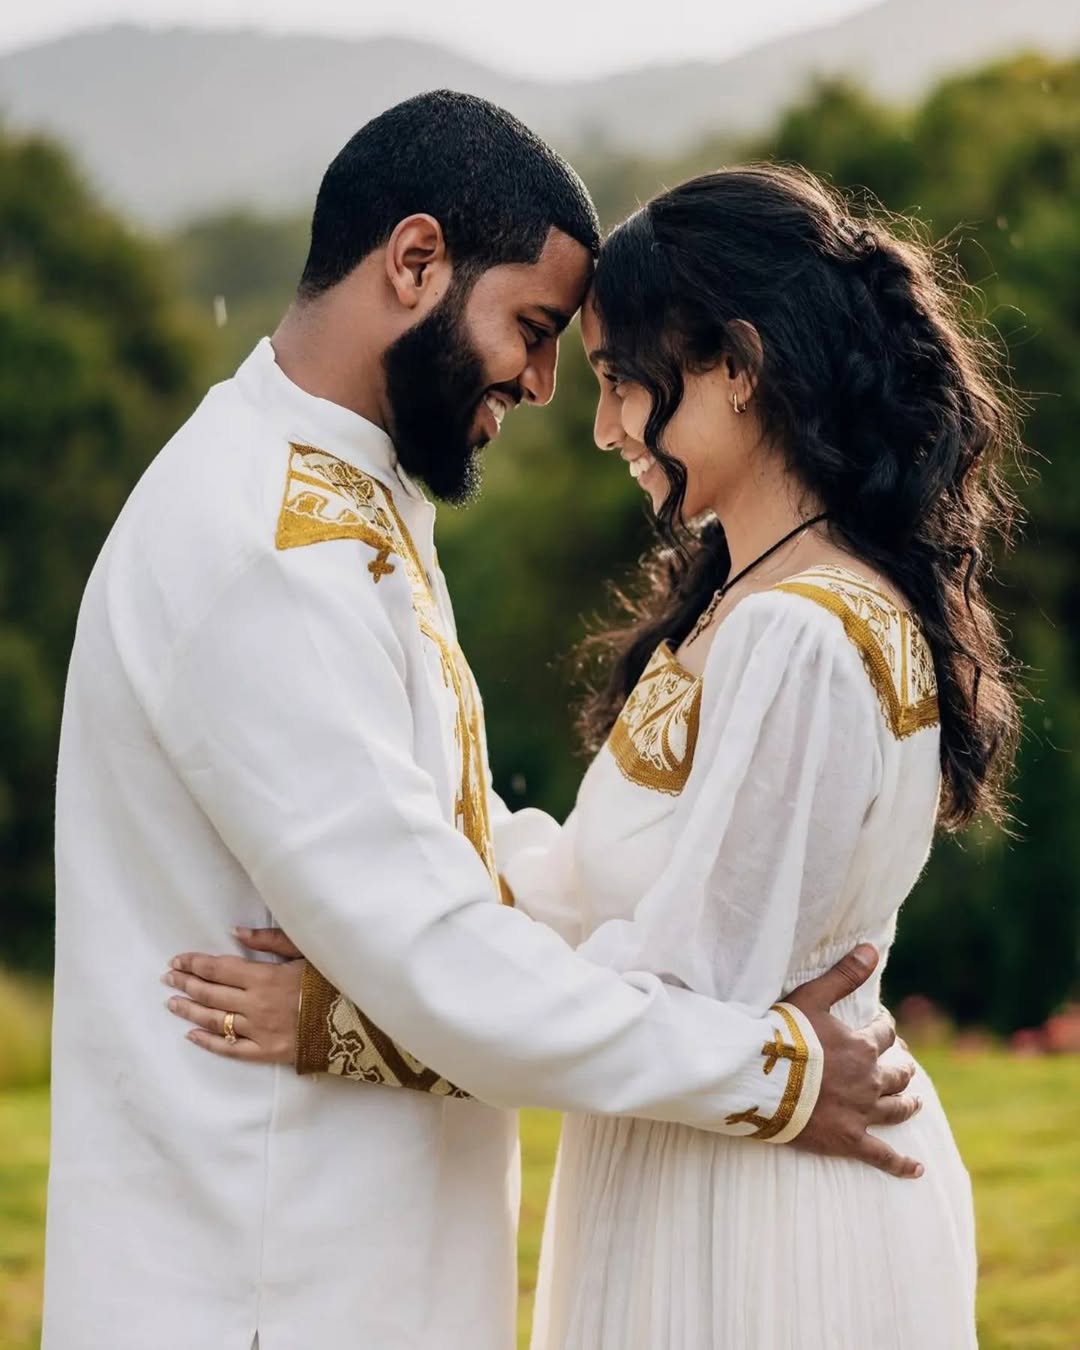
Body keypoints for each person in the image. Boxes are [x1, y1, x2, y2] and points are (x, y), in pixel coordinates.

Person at [45, 94, 916, 1350]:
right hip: (263, 1276)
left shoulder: (346, 495)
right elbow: (438, 956)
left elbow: (440, 848)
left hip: (339, 1265)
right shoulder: (262, 543)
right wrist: (770, 1073)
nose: (550, 384)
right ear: (414, 263)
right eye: (534, 327)